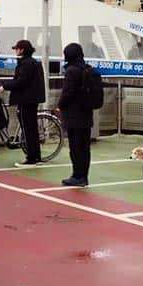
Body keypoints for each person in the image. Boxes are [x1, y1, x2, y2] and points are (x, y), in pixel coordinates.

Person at [0, 39, 46, 167]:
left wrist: (5, 86)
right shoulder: (33, 62)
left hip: (26, 100)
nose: (15, 51)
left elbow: (21, 81)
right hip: (32, 99)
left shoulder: (26, 64)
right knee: (32, 129)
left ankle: (31, 158)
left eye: (17, 49)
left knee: (28, 129)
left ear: (22, 50)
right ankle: (37, 157)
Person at [57, 43, 93, 187]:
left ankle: (77, 175)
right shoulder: (87, 68)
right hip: (86, 112)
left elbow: (67, 93)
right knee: (85, 147)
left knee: (75, 146)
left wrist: (60, 105)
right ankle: (84, 175)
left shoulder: (71, 71)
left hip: (73, 114)